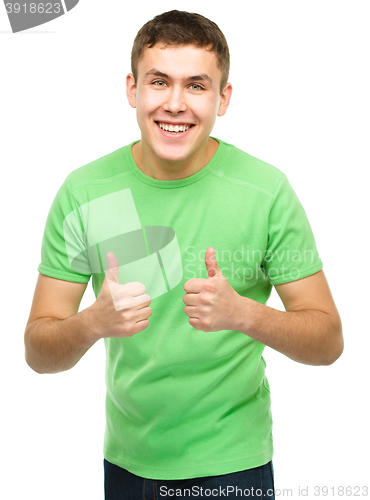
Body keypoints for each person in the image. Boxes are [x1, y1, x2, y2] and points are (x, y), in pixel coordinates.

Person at [24, 9, 344, 500]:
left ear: (224, 98)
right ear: (132, 89)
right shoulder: (85, 192)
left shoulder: (265, 190)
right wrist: (93, 322)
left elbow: (327, 342)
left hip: (233, 465)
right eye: (159, 82)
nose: (175, 104)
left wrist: (243, 314)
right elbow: (38, 353)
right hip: (127, 464)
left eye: (196, 85)